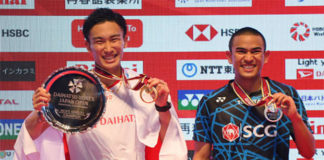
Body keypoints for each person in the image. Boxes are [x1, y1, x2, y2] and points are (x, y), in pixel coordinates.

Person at [14, 8, 187, 160]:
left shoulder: (144, 88)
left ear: (125, 41)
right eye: (99, 41)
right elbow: (31, 139)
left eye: (114, 39)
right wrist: (42, 112)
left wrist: (162, 107)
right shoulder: (73, 91)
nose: (108, 48)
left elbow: (169, 142)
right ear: (88, 46)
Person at [192, 27, 315, 160]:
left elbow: (308, 152)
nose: (249, 58)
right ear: (229, 56)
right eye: (241, 52)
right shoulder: (210, 101)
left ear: (266, 56)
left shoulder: (286, 95)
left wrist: (295, 118)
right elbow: (201, 155)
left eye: (256, 51)